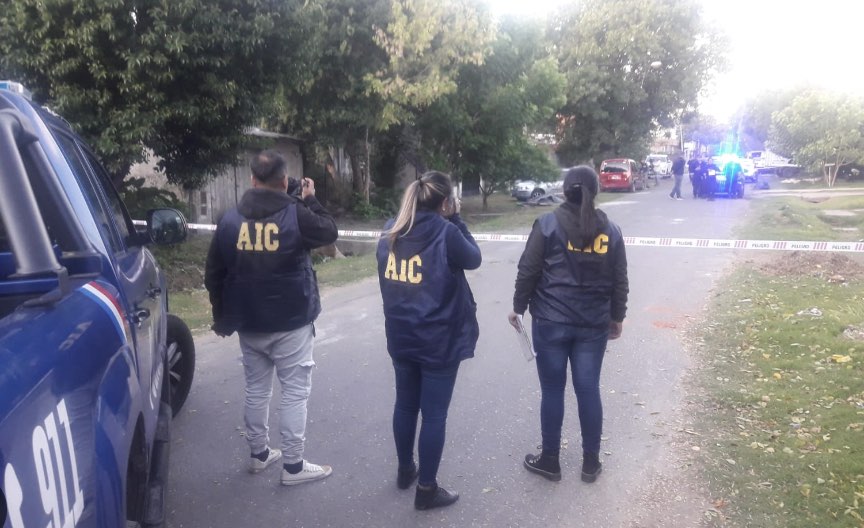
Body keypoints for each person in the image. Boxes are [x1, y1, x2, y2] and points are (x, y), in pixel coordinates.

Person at [204, 149, 338, 486]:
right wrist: (310, 199)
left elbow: (214, 273)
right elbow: (329, 231)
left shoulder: (229, 219)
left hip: (248, 321)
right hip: (291, 320)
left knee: (256, 389)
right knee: (294, 392)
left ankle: (259, 454)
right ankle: (293, 466)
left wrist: (222, 314)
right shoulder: (297, 214)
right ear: (284, 180)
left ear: (252, 180)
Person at [508, 165, 628, 484]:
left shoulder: (547, 224)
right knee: (588, 389)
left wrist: (518, 307)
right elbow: (620, 280)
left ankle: (550, 460)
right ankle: (591, 463)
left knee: (552, 390)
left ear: (564, 190)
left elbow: (528, 270)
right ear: (595, 191)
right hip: (592, 324)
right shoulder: (611, 231)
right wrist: (617, 317)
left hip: (550, 321)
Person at [376, 171, 481, 511]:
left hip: (401, 333)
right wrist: (457, 218)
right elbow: (474, 258)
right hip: (438, 339)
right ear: (445, 202)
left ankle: (405, 470)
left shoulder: (391, 230)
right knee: (434, 415)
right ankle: (426, 489)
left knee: (406, 405)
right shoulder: (446, 232)